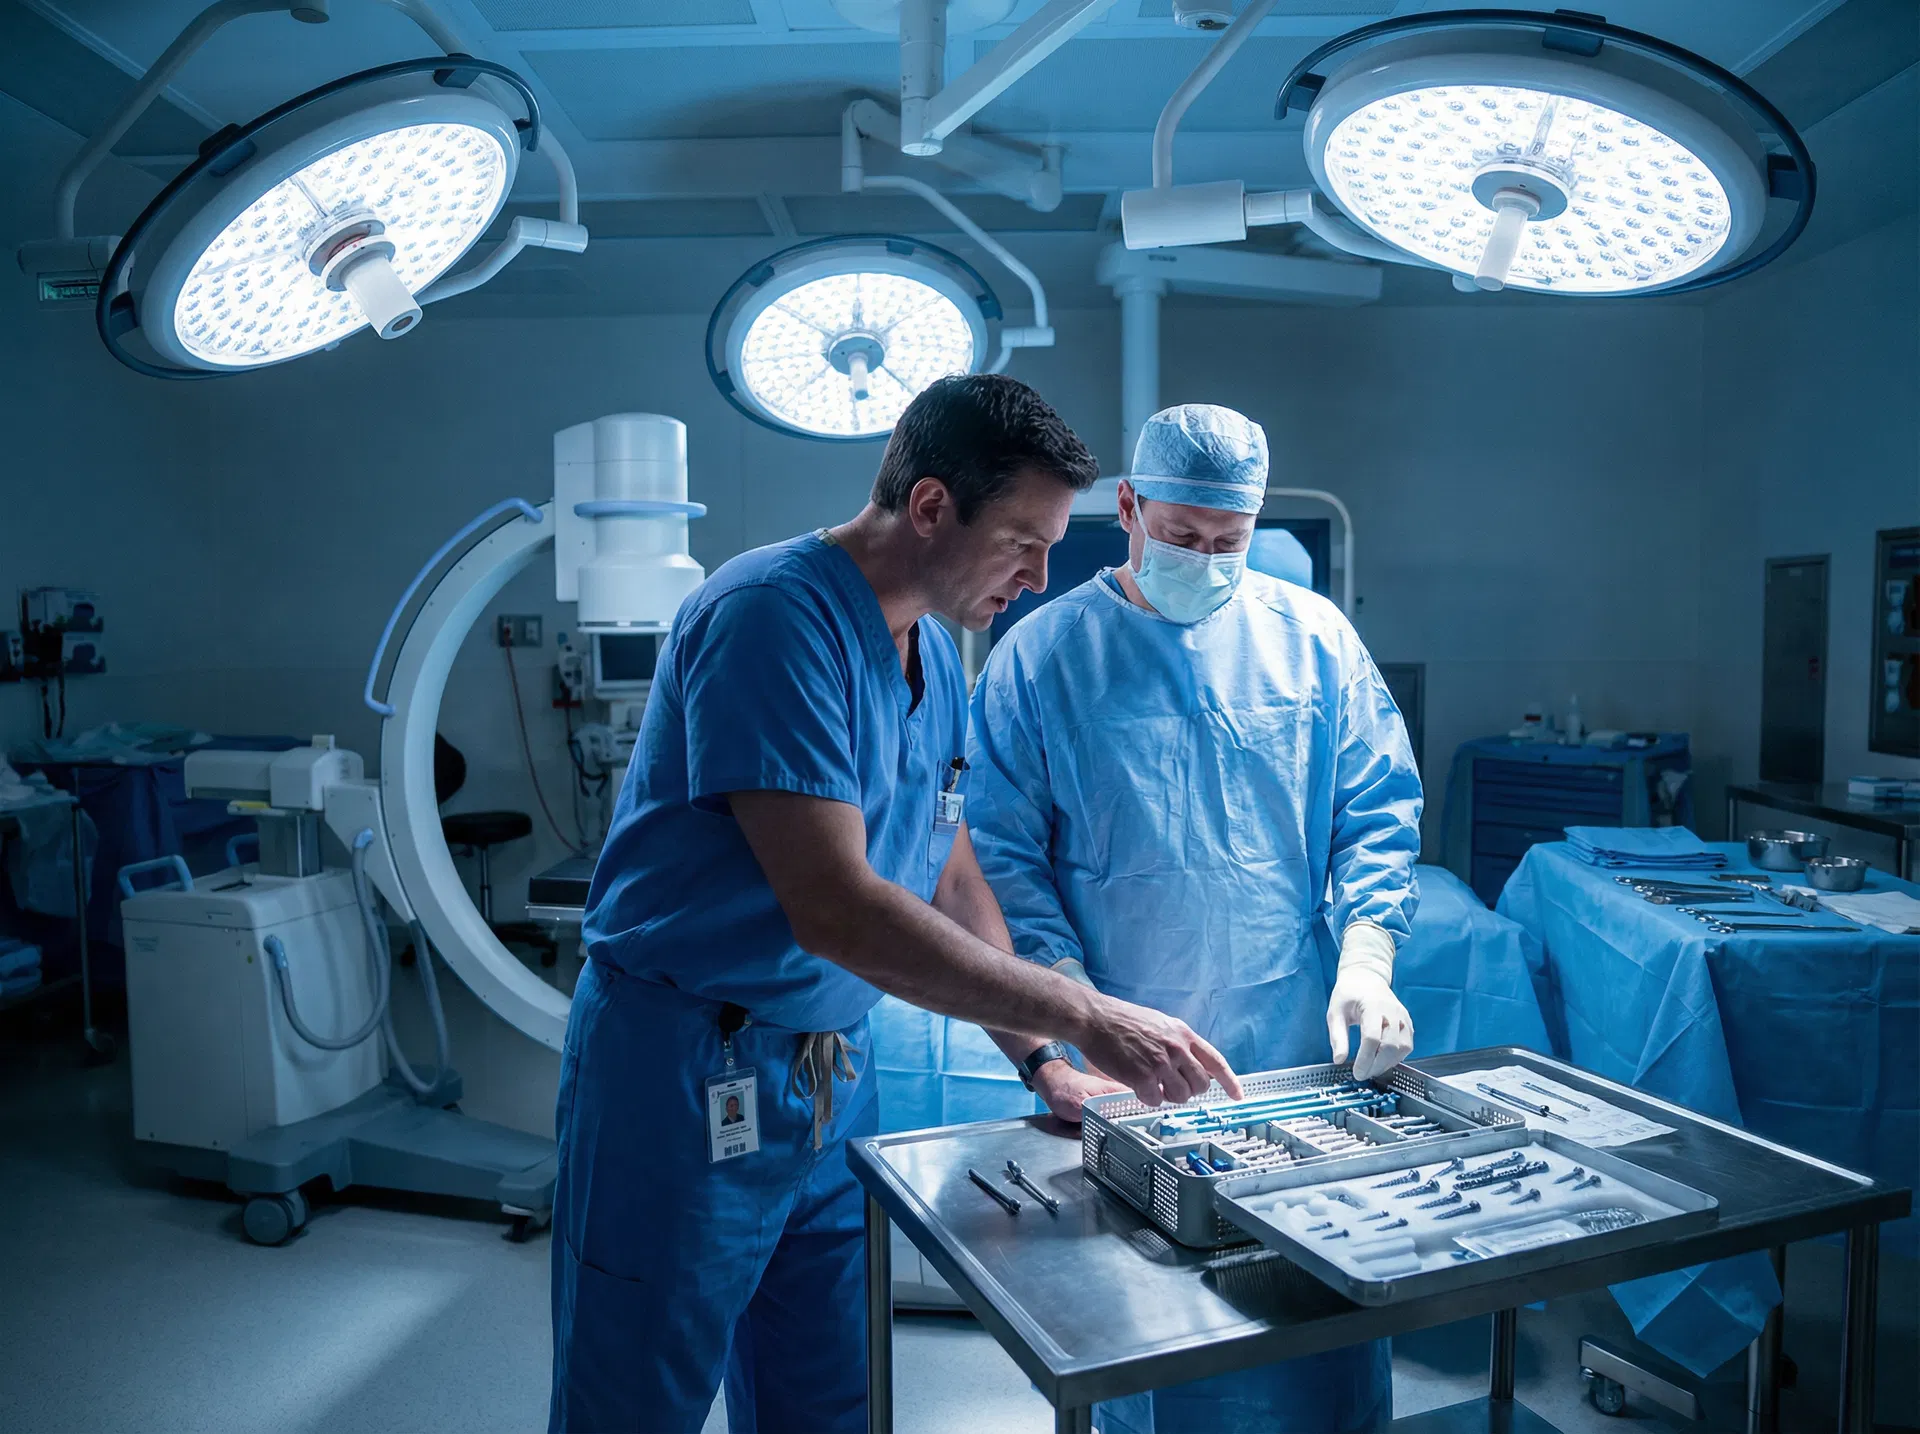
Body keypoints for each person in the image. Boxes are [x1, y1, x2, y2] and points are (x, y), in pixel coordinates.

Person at [551, 376, 1242, 1434]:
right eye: (1022, 540)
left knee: (826, 1395)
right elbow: (839, 908)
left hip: (829, 1073)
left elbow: (950, 874)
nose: (1042, 574)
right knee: (636, 1399)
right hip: (685, 1069)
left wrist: (1041, 1057)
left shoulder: (933, 652)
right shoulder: (771, 619)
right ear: (929, 507)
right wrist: (1090, 1016)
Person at [967, 403, 1423, 1434]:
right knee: (1151, 1333)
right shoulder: (1042, 657)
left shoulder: (1313, 642)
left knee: (1312, 1321)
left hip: (1294, 1037)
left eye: (1228, 543)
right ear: (1127, 508)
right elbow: (1006, 866)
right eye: (1180, 537)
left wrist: (1368, 954)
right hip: (1122, 1056)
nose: (1205, 560)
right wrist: (1066, 1035)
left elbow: (1378, 808)